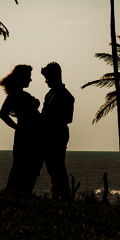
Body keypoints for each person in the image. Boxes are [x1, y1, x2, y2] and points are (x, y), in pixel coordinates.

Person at [0, 64, 42, 194]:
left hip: (31, 134)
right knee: (25, 165)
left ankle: (20, 192)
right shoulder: (15, 95)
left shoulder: (20, 94)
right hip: (26, 135)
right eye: (28, 77)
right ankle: (18, 192)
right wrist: (17, 128)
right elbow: (3, 114)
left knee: (29, 165)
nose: (30, 80)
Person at [40, 62, 74, 200]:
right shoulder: (49, 94)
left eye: (47, 77)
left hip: (57, 134)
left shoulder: (65, 96)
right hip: (49, 134)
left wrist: (49, 120)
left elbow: (68, 118)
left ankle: (64, 196)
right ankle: (57, 196)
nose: (46, 81)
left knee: (57, 167)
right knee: (52, 168)